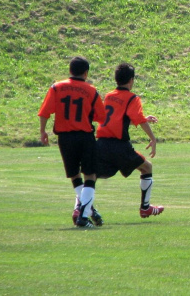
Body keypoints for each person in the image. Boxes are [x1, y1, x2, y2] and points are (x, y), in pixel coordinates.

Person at [38, 56, 106, 228]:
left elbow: (45, 112)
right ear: (86, 73)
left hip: (65, 138)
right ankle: (84, 215)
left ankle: (89, 210)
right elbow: (101, 117)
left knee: (74, 174)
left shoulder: (56, 87)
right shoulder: (91, 91)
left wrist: (43, 131)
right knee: (90, 174)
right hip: (84, 136)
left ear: (70, 70)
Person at [95, 63, 164, 220]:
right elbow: (138, 119)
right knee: (147, 167)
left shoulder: (109, 96)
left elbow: (117, 120)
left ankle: (80, 207)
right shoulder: (132, 98)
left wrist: (142, 119)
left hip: (101, 144)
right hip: (119, 146)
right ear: (131, 80)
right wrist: (153, 138)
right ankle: (145, 208)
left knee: (91, 175)